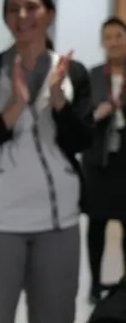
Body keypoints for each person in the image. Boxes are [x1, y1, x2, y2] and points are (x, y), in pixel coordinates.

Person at [0, 0, 93, 323]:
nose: (22, 16)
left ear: (49, 14)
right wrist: (14, 107)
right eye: (13, 9)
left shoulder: (72, 73)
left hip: (58, 222)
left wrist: (60, 101)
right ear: (5, 19)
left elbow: (82, 141)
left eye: (31, 7)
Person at [83, 17, 126, 304]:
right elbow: (80, 117)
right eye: (108, 37)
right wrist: (97, 113)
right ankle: (94, 284)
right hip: (98, 159)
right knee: (96, 223)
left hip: (125, 160)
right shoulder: (91, 75)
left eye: (119, 36)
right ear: (102, 42)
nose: (113, 42)